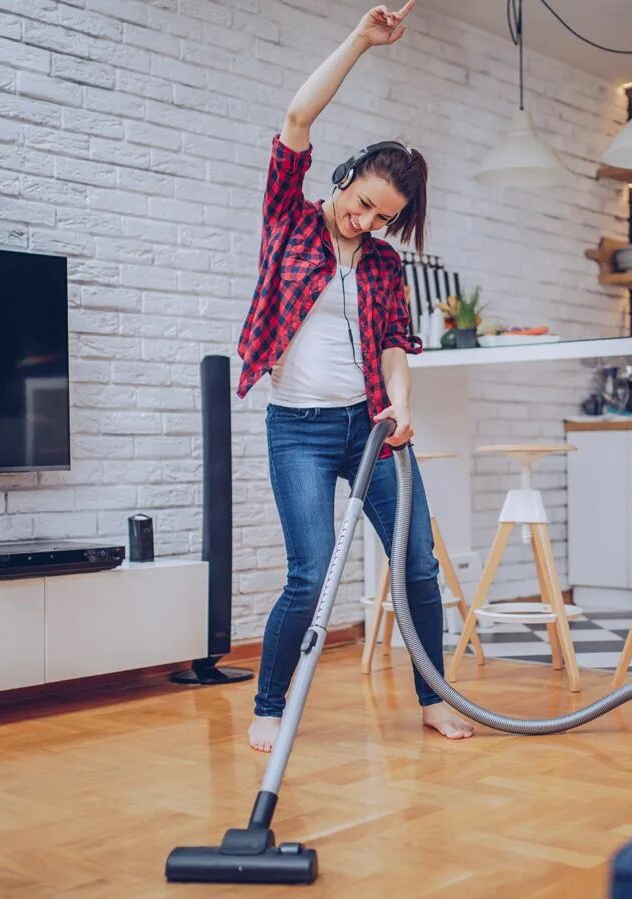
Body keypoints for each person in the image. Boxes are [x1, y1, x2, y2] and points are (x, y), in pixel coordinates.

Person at [235, 0, 474, 750]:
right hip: (299, 430)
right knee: (309, 575)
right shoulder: (289, 217)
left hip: (369, 426)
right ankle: (269, 705)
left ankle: (433, 699)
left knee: (420, 566)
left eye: (382, 218)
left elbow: (395, 345)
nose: (365, 223)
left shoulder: (383, 263)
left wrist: (399, 404)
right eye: (363, 204)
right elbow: (298, 115)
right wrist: (361, 42)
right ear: (344, 179)